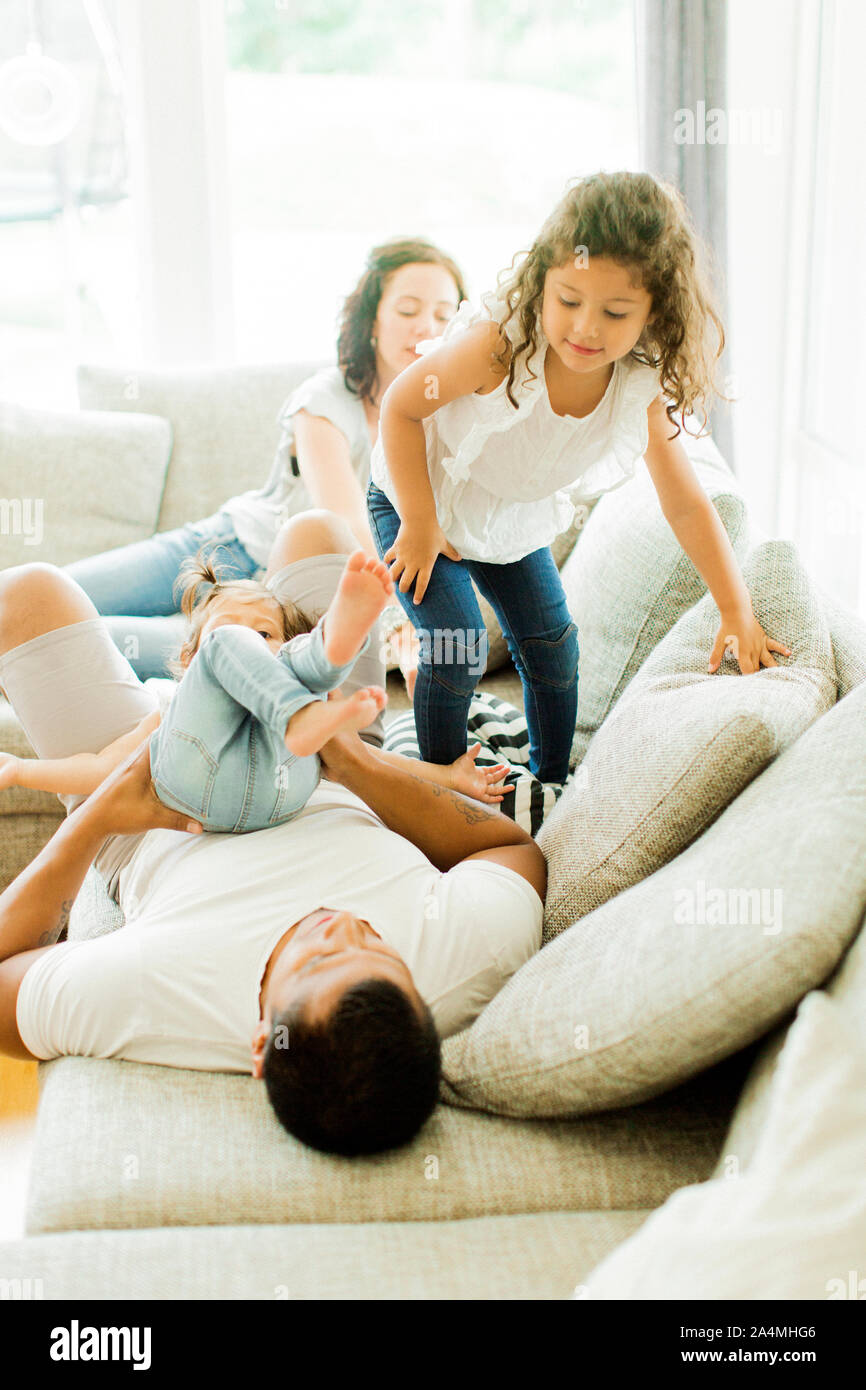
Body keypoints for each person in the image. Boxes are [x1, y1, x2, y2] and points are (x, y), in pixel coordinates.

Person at [0, 513, 543, 1157]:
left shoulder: (159, 993)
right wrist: (355, 764)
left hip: (157, 802)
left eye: (318, 960)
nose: (339, 924)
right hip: (324, 764)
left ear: (262, 1042)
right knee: (316, 534)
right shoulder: (468, 957)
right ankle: (266, 666)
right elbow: (512, 848)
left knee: (27, 593)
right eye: (377, 945)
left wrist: (101, 813)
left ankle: (225, 650)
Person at [367, 171, 793, 784]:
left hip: (506, 513)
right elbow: (401, 409)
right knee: (458, 643)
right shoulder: (498, 346)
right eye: (568, 301)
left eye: (615, 312)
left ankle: (551, 781)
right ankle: (441, 781)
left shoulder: (638, 388)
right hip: (417, 497)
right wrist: (421, 521)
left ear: (654, 314)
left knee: (554, 646)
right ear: (541, 283)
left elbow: (686, 503)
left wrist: (736, 609)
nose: (586, 329)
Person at [66, 239, 467, 690]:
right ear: (373, 318)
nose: (424, 328)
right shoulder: (324, 400)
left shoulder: (453, 421)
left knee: (71, 640)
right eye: (408, 310)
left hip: (271, 598)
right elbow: (347, 524)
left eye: (443, 314)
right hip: (229, 546)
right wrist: (399, 621)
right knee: (50, 595)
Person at [0, 550, 511, 832]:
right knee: (290, 684)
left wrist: (448, 777)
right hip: (200, 794)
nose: (251, 644)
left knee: (301, 690)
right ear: (189, 663)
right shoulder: (173, 706)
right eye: (227, 635)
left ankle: (333, 647)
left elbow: (370, 763)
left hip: (276, 795)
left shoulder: (280, 678)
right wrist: (21, 771)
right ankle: (330, 654)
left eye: (264, 635)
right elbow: (100, 767)